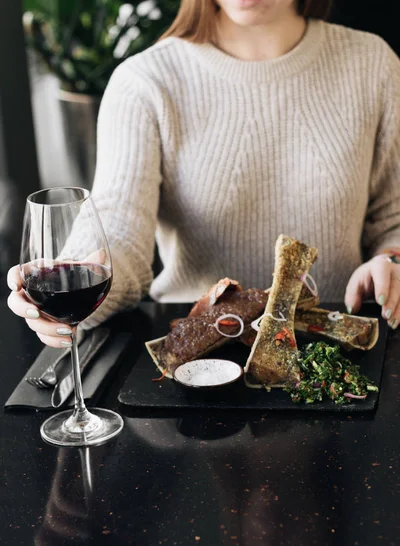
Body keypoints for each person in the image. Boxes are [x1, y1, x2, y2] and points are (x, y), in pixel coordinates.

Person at [7, 0, 400, 347]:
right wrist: (74, 279)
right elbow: (117, 227)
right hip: (192, 357)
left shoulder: (373, 64)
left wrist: (390, 262)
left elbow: (393, 220)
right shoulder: (144, 82)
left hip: (334, 347)